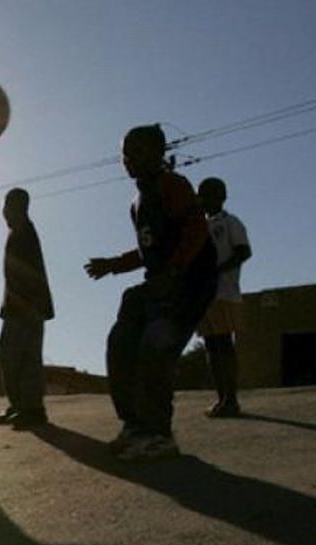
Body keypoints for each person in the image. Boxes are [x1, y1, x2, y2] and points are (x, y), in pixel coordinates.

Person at [84, 124, 217, 461]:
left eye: (137, 151)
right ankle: (135, 426)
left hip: (188, 283)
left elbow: (196, 227)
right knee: (121, 343)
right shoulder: (137, 202)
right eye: (125, 153)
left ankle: (159, 434)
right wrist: (113, 264)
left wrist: (175, 269)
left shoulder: (173, 185)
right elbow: (147, 250)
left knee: (155, 349)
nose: (129, 159)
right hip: (158, 285)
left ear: (158, 153)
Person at [0, 188, 55, 430]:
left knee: (25, 358)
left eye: (6, 207)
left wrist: (27, 305)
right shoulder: (18, 233)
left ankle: (33, 410)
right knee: (10, 356)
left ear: (17, 207)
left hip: (27, 307)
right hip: (17, 306)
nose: (4, 213)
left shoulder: (25, 233)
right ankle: (19, 405)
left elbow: (28, 275)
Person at [197, 177, 252, 418]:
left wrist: (218, 270)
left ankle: (231, 399)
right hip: (205, 295)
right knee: (211, 346)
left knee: (224, 345)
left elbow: (244, 252)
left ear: (221, 197)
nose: (203, 200)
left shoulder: (231, 223)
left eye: (208, 195)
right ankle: (221, 398)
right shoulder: (200, 226)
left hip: (225, 292)